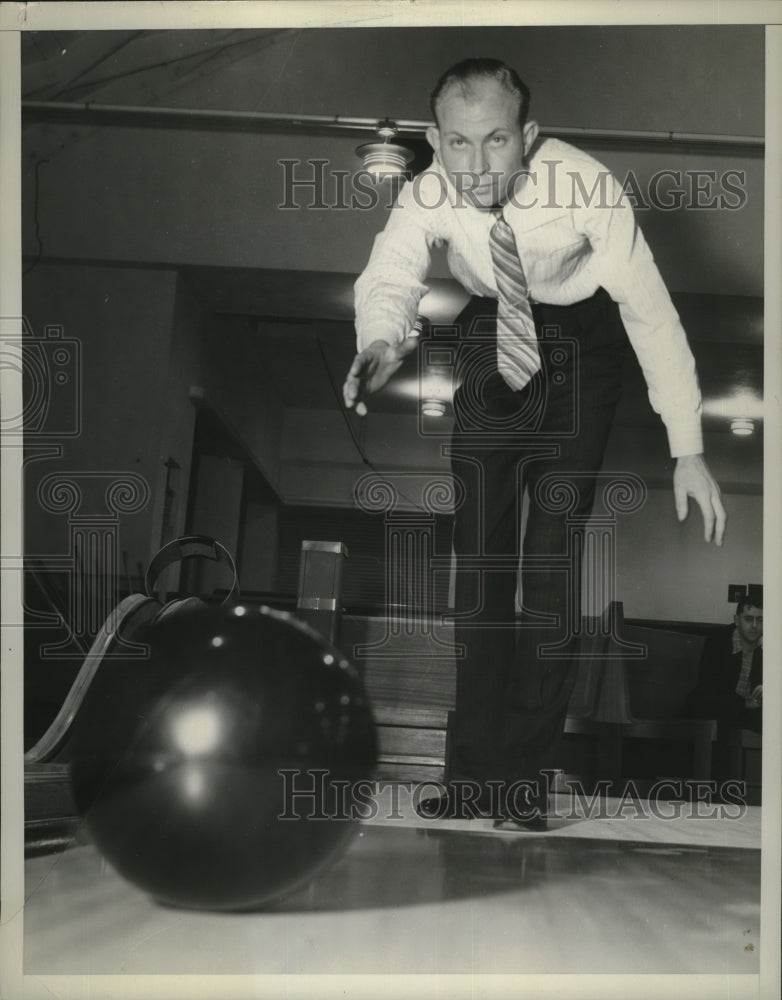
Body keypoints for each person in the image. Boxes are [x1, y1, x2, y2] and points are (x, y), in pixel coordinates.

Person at [342, 58, 726, 827]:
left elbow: (649, 309)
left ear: (529, 136)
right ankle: (471, 773)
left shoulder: (590, 188)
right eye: (457, 143)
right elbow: (391, 272)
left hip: (583, 351)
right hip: (489, 339)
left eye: (495, 142)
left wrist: (688, 446)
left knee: (548, 566)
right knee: (480, 566)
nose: (476, 166)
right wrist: (382, 341)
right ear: (433, 139)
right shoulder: (428, 191)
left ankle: (522, 779)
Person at [686, 595, 762, 784]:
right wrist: (745, 703)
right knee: (720, 713)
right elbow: (709, 688)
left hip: (746, 712)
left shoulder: (769, 645)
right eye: (748, 619)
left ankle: (759, 788)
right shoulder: (718, 641)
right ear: (737, 620)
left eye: (760, 620)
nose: (754, 626)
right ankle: (719, 789)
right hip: (715, 707)